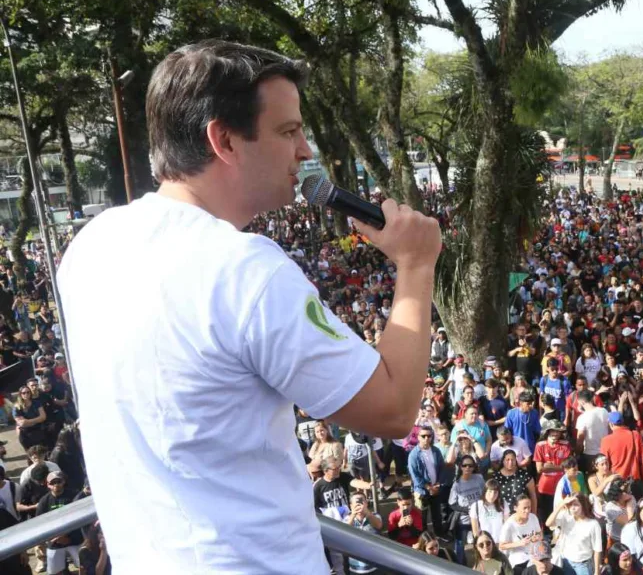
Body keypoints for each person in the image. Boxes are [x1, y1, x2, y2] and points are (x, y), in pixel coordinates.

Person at [54, 41, 442, 572]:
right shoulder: (242, 270)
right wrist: (416, 266)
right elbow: (394, 408)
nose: (305, 151)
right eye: (288, 131)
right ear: (225, 140)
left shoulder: (91, 245)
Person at [35, 472, 84, 575]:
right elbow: (39, 524)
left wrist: (68, 537)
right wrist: (51, 539)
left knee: (84, 565)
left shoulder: (74, 495)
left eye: (59, 481)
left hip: (75, 539)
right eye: (53, 483)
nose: (56, 485)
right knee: (54, 571)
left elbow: (80, 517)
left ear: (64, 482)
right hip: (54, 542)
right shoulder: (44, 501)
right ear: (47, 484)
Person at [545, 493, 602, 575]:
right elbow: (548, 523)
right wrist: (561, 505)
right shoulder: (566, 516)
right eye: (570, 505)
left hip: (583, 565)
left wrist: (597, 572)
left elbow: (597, 549)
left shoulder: (593, 524)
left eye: (576, 505)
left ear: (583, 505)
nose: (573, 508)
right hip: (566, 562)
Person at [499, 495, 544, 573]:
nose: (527, 511)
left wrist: (537, 537)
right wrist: (519, 543)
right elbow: (502, 546)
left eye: (529, 507)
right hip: (518, 558)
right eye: (524, 508)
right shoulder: (509, 525)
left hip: (534, 554)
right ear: (515, 508)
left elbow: (540, 534)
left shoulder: (533, 517)